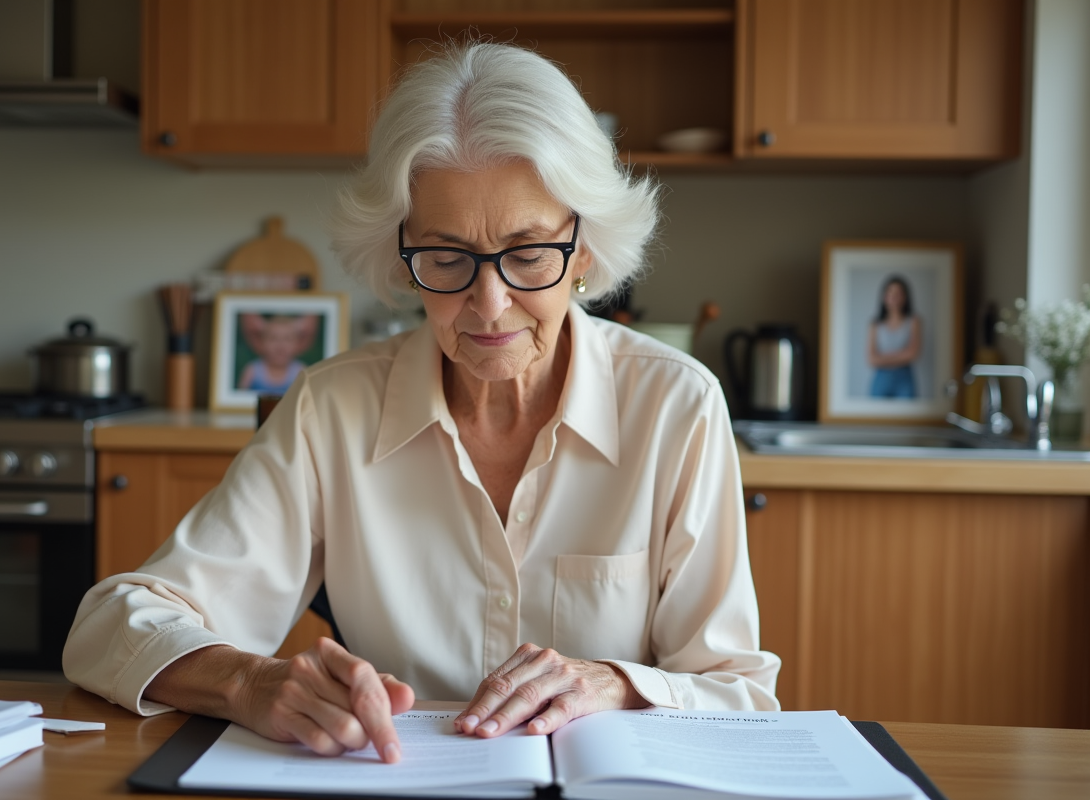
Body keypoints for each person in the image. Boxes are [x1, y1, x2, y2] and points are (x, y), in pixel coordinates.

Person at [63, 42, 779, 766]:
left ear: (584, 251)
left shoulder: (676, 404)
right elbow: (110, 627)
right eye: (447, 257)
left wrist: (615, 683)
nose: (489, 304)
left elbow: (737, 691)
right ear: (402, 257)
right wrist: (249, 681)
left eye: (528, 254)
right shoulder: (330, 409)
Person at [867, 276, 922, 398]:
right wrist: (902, 355)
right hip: (881, 378)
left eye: (898, 293)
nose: (894, 297)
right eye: (890, 293)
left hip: (904, 378)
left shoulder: (913, 321)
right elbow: (871, 359)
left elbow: (913, 354)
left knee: (906, 410)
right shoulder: (875, 324)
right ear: (884, 297)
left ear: (905, 297)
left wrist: (883, 358)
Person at [238, 314, 319, 394]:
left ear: (297, 344)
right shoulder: (252, 371)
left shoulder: (301, 371)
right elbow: (238, 397)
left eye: (287, 339)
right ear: (262, 343)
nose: (280, 346)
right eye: (273, 339)